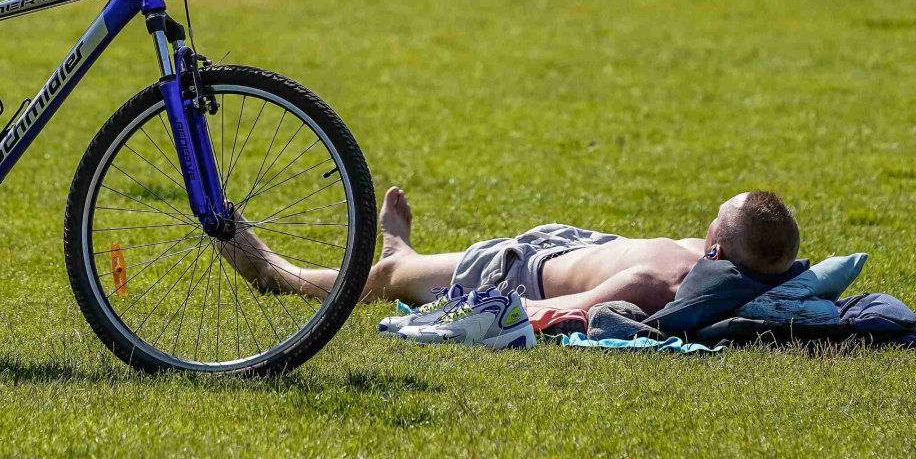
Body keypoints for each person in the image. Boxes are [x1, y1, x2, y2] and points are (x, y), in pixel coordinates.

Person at [217, 187, 800, 335]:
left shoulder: (655, 282)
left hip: (514, 268)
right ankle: (408, 256)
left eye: (714, 220)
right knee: (404, 272)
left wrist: (460, 313)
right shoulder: (740, 261)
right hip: (574, 242)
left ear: (719, 248)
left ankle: (270, 270)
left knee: (385, 281)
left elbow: (548, 310)